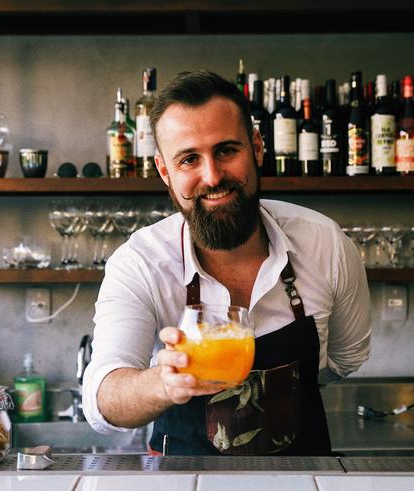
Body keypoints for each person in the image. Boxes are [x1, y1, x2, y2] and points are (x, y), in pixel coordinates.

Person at [82, 70, 371, 456]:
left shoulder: (325, 244)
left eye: (226, 151)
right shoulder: (140, 262)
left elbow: (346, 357)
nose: (213, 176)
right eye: (189, 159)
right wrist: (163, 384)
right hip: (180, 488)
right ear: (165, 172)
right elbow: (101, 400)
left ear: (257, 147)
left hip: (305, 484)